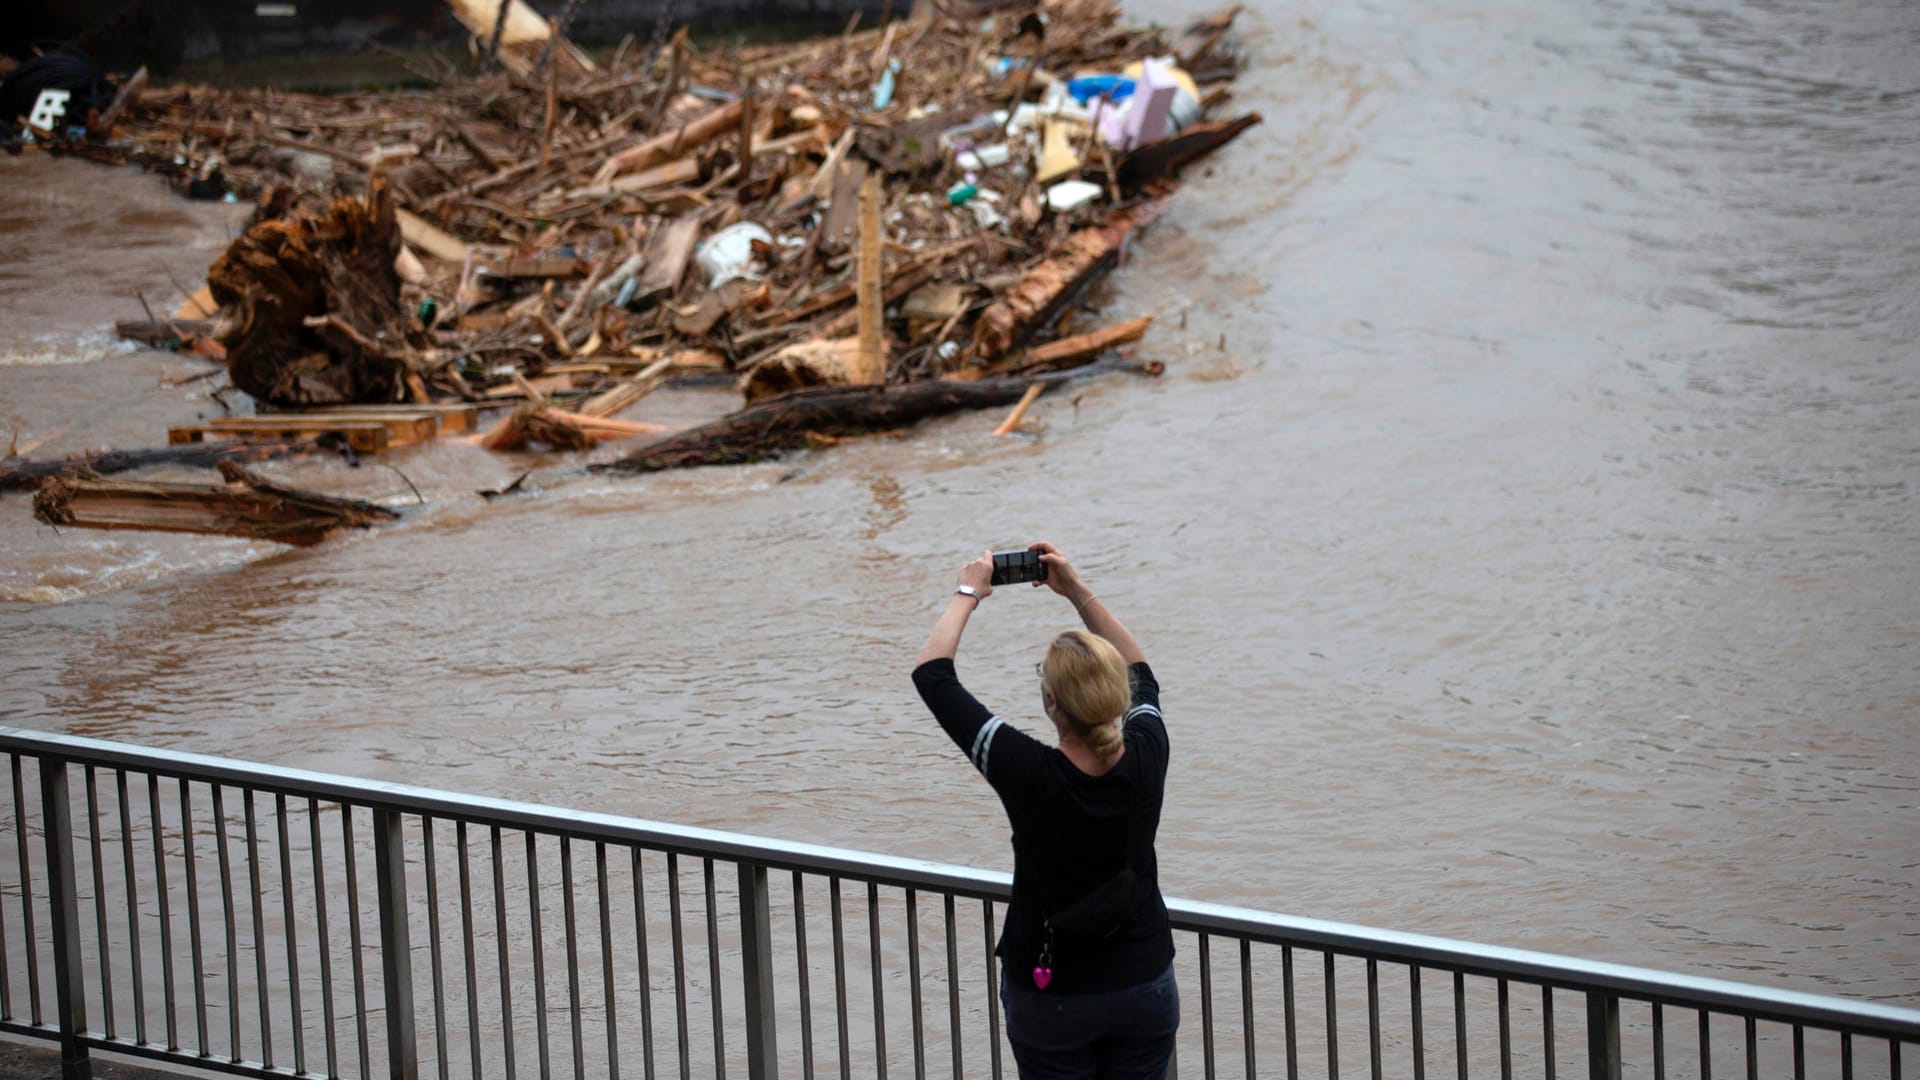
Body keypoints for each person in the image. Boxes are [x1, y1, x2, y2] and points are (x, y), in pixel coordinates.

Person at [912, 542, 1178, 1079]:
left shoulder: (1026, 771)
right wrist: (1077, 592)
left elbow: (933, 675)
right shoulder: (1148, 751)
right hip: (1143, 982)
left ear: (1050, 703)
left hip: (1053, 993)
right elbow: (1141, 667)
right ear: (1116, 699)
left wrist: (970, 590)